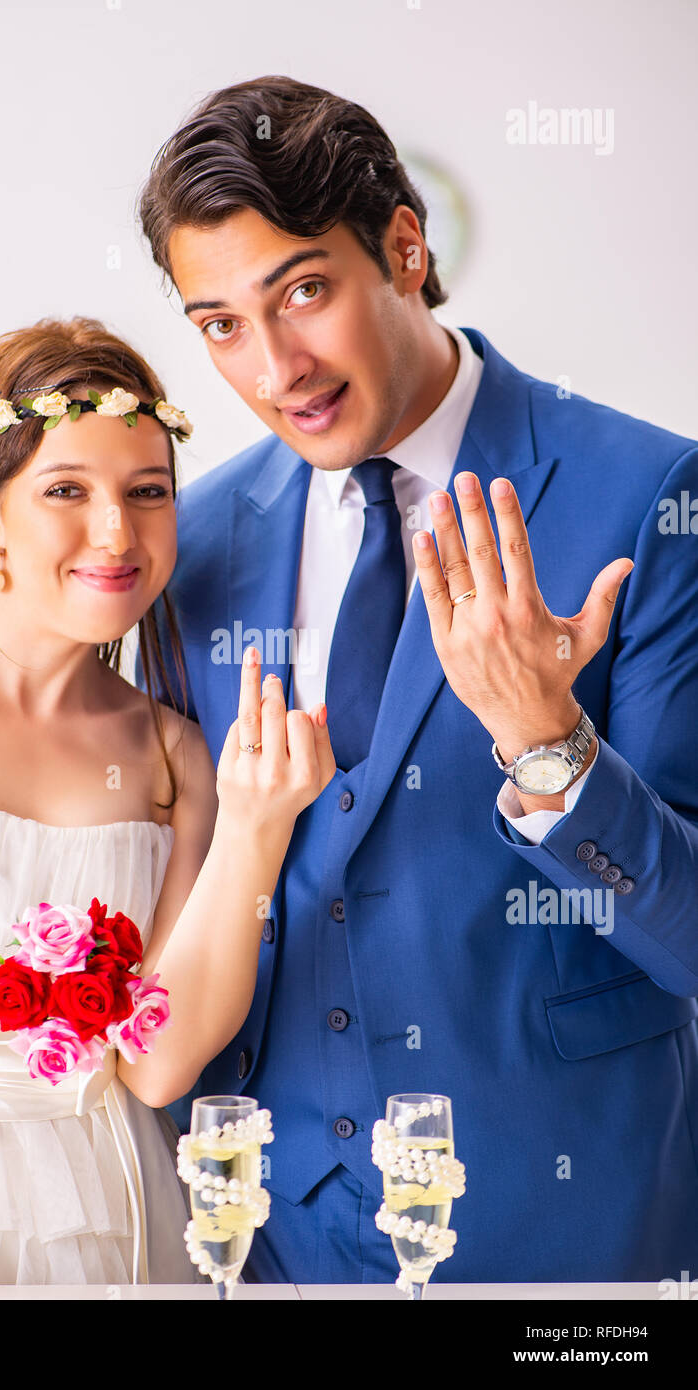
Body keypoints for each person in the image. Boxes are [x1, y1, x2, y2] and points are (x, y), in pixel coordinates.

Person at [134, 75, 698, 1284]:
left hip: (561, 1233)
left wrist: (554, 749)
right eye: (221, 323)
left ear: (404, 246)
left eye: (303, 291)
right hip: (273, 1238)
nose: (277, 364)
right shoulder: (199, 543)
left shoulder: (649, 499)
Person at [0, 314, 335, 1285]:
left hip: (102, 1213)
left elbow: (157, 1063)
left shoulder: (172, 753)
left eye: (148, 494)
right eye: (67, 491)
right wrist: (11, 995)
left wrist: (257, 829)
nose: (117, 533)